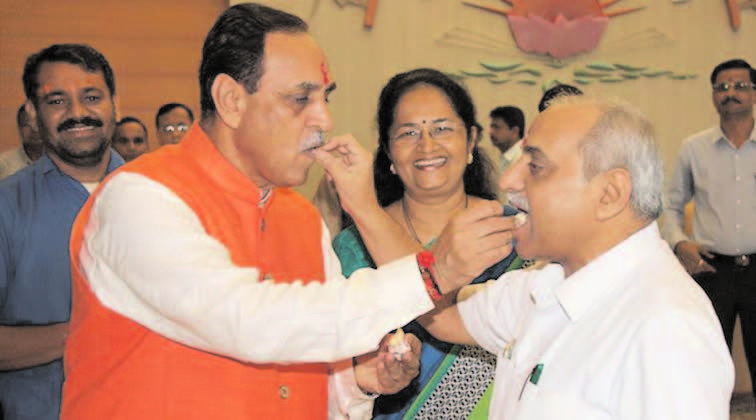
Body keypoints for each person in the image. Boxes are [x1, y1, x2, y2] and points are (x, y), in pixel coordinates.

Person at [60, 4, 514, 419]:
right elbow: (249, 321)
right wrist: (430, 275)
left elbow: (302, 371)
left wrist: (356, 382)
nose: (324, 120)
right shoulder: (140, 198)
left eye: (325, 98)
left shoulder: (300, 219)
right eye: (301, 99)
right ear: (231, 100)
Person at [422, 95, 734, 419]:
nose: (508, 181)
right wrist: (367, 208)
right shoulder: (545, 283)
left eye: (536, 166)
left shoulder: (667, 327)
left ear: (609, 194)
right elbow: (442, 315)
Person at [333, 68, 524, 419]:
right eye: (408, 133)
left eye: (442, 128)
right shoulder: (352, 247)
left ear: (471, 140)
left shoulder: (516, 235)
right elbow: (332, 363)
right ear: (388, 152)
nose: (427, 146)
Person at [0, 43, 124, 420]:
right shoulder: (6, 207)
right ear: (34, 116)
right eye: (56, 101)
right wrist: (92, 329)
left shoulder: (164, 195)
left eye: (91, 97)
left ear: (115, 105)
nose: (78, 113)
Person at [663, 58, 756, 397]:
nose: (730, 93)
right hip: (713, 270)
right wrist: (679, 243)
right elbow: (672, 205)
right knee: (708, 361)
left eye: (740, 86)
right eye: (722, 87)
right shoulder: (694, 148)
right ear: (713, 95)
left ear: (754, 93)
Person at [0, 105, 44, 179]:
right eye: (27, 125)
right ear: (19, 128)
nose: (34, 130)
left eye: (38, 124)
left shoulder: (64, 163)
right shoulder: (3, 164)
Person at [489, 105, 525, 171]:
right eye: (492, 127)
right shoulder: (507, 157)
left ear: (514, 132)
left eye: (497, 127)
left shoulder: (522, 159)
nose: (491, 132)